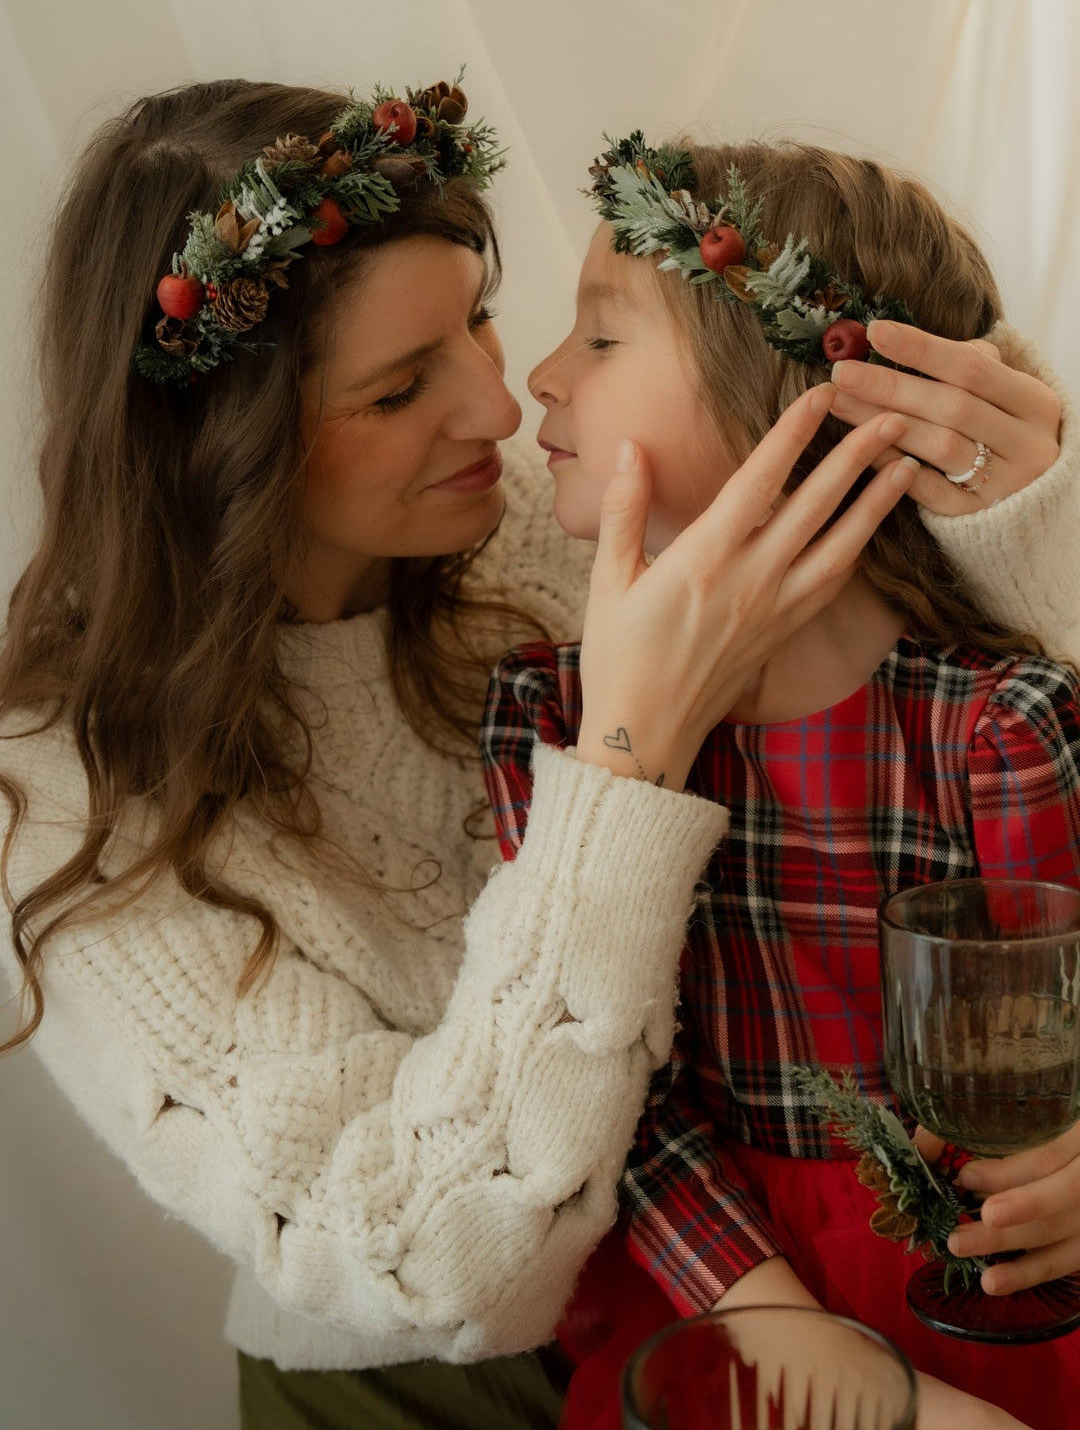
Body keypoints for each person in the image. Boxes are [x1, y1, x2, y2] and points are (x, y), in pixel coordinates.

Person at [0, 79, 1070, 1430]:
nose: (502, 411)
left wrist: (1018, 520)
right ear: (223, 448)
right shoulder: (62, 789)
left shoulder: (555, 510)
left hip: (828, 1280)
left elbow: (1011, 840)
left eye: (479, 322)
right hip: (428, 1375)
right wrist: (623, 759)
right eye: (399, 389)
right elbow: (442, 1267)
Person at [481, 134, 1080, 1430]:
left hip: (982, 1302)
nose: (536, 377)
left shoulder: (996, 727)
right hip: (719, 1298)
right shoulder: (551, 728)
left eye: (597, 337)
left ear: (799, 391)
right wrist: (783, 1335)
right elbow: (603, 1097)